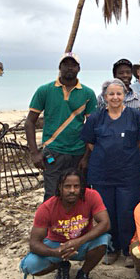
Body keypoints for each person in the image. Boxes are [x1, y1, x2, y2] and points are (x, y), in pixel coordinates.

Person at [81, 79, 140, 267]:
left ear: (125, 96)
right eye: (111, 94)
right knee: (106, 213)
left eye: (119, 93)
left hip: (128, 173)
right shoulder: (95, 118)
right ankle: (111, 249)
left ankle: (128, 250)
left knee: (127, 212)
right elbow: (91, 143)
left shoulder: (135, 116)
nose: (115, 97)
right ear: (104, 97)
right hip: (102, 174)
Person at [19, 169, 111, 279]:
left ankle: (83, 274)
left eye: (76, 186)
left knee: (103, 240)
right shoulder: (46, 208)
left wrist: (79, 241)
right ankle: (62, 265)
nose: (72, 190)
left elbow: (105, 223)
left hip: (82, 243)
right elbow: (34, 243)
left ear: (82, 187)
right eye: (67, 186)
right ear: (60, 187)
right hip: (56, 244)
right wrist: (56, 253)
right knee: (30, 266)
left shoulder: (92, 195)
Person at [25, 52, 97, 201]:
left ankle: (76, 224)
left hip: (78, 153)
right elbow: (30, 122)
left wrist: (87, 157)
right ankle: (51, 225)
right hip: (53, 152)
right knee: (52, 195)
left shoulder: (88, 93)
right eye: (66, 64)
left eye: (73, 65)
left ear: (79, 68)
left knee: (78, 194)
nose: (69, 68)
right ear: (60, 67)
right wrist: (34, 153)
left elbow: (92, 128)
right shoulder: (45, 90)